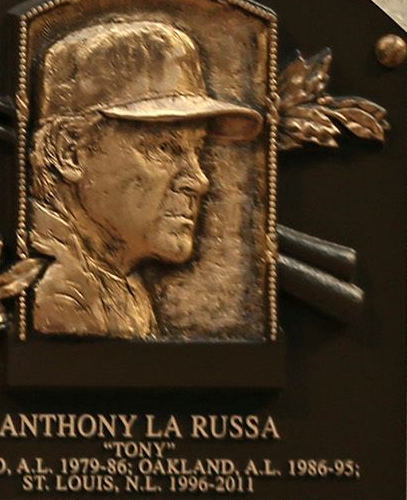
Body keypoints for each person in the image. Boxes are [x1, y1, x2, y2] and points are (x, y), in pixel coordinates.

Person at [22, 17, 264, 339]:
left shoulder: (115, 280)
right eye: (164, 148)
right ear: (70, 152)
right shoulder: (57, 294)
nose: (199, 180)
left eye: (198, 149)